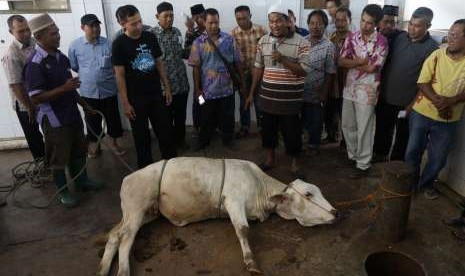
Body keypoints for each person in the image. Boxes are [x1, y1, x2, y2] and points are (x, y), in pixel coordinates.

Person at [24, 13, 103, 207]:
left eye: (58, 32)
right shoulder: (35, 63)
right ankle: (63, 191)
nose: (58, 36)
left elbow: (70, 85)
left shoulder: (60, 57)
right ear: (39, 37)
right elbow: (35, 97)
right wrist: (64, 89)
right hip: (55, 120)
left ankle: (81, 181)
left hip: (71, 115)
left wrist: (85, 105)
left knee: (78, 151)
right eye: (53, 34)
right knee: (58, 157)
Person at [245, 3, 310, 178]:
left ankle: (295, 164)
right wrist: (251, 93)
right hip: (267, 98)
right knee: (268, 131)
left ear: (287, 21)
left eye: (278, 21)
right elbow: (258, 68)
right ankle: (270, 159)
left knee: (292, 133)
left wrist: (283, 59)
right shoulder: (264, 41)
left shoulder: (302, 43)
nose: (274, 25)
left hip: (289, 101)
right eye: (271, 21)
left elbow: (303, 70)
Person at [405, 19, 465, 199]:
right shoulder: (437, 55)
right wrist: (442, 103)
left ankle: (426, 185)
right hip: (422, 113)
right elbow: (422, 82)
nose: (450, 38)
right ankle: (410, 183)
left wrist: (451, 101)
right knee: (413, 151)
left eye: (455, 35)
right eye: (450, 34)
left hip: (449, 119)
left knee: (438, 158)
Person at [112, 5, 177, 169]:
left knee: (166, 133)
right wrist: (126, 103)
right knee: (142, 138)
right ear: (122, 24)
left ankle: (171, 168)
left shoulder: (149, 37)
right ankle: (146, 171)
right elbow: (119, 75)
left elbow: (159, 63)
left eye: (140, 21)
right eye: (133, 24)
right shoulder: (119, 44)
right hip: (136, 99)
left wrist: (167, 87)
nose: (139, 26)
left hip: (156, 95)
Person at [374, 7, 438, 162]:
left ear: (428, 26)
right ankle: (379, 157)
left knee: (403, 137)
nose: (412, 28)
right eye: (410, 23)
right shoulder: (400, 37)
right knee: (382, 129)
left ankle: (397, 166)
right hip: (386, 97)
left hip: (408, 103)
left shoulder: (432, 48)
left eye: (417, 26)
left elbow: (427, 81)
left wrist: (412, 104)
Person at [339, 4, 388, 178]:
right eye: (363, 20)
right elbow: (341, 61)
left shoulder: (381, 42)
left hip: (368, 91)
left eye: (369, 23)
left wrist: (354, 62)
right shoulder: (352, 36)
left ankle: (363, 164)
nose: (364, 25)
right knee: (348, 124)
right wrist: (359, 61)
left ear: (376, 24)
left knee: (365, 127)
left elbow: (372, 68)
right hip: (350, 88)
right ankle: (353, 156)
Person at [68, 14, 125, 158]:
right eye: (91, 26)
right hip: (89, 93)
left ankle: (114, 144)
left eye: (97, 25)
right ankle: (95, 146)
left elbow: (115, 65)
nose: (95, 29)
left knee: (113, 120)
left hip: (109, 91)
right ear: (83, 27)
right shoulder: (75, 46)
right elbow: (74, 66)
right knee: (92, 121)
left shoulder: (108, 44)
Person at [188, 8, 244, 151]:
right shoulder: (198, 42)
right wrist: (197, 89)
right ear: (204, 22)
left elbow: (237, 62)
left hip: (227, 88)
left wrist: (242, 82)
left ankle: (228, 140)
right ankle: (203, 141)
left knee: (228, 117)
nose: (214, 25)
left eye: (216, 22)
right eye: (210, 22)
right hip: (207, 91)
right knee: (205, 118)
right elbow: (196, 68)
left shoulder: (229, 39)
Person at [1, 15, 45, 161]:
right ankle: (41, 164)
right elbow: (16, 85)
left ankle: (52, 161)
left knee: (49, 130)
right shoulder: (11, 54)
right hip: (25, 103)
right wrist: (30, 107)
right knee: (33, 135)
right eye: (21, 31)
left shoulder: (34, 43)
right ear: (11, 32)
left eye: (28, 29)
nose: (26, 33)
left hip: (41, 97)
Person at [152, 2, 190, 150]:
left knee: (180, 117)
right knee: (165, 119)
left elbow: (183, 54)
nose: (169, 19)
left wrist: (192, 39)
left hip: (181, 84)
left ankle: (180, 140)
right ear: (157, 16)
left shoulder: (177, 32)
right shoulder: (151, 35)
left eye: (171, 15)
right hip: (164, 87)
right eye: (165, 16)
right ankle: (169, 145)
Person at [303, 10, 336, 156]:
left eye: (319, 23)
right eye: (312, 23)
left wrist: (324, 93)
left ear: (325, 26)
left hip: (317, 91)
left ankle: (313, 144)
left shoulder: (329, 46)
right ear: (308, 25)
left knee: (316, 120)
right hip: (300, 90)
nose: (315, 26)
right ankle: (301, 142)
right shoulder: (301, 42)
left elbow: (330, 72)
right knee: (302, 118)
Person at [231, 5, 267, 137]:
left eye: (244, 18)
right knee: (243, 100)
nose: (241, 21)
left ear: (250, 16)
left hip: (259, 72)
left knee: (259, 101)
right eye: (238, 19)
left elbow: (267, 52)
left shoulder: (261, 30)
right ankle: (245, 127)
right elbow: (233, 57)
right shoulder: (233, 34)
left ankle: (262, 127)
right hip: (243, 73)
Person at [326, 7, 352, 145]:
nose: (340, 23)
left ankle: (346, 142)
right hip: (332, 82)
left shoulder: (354, 39)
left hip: (347, 82)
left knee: (346, 114)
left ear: (349, 21)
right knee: (330, 111)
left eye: (344, 20)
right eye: (338, 20)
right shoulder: (331, 37)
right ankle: (332, 136)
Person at [184, 4, 206, 139]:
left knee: (211, 101)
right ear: (192, 18)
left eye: (201, 16)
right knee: (199, 98)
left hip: (214, 75)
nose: (199, 19)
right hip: (199, 74)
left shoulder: (213, 30)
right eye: (196, 17)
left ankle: (211, 125)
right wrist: (191, 31)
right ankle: (198, 127)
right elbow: (186, 53)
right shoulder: (192, 32)